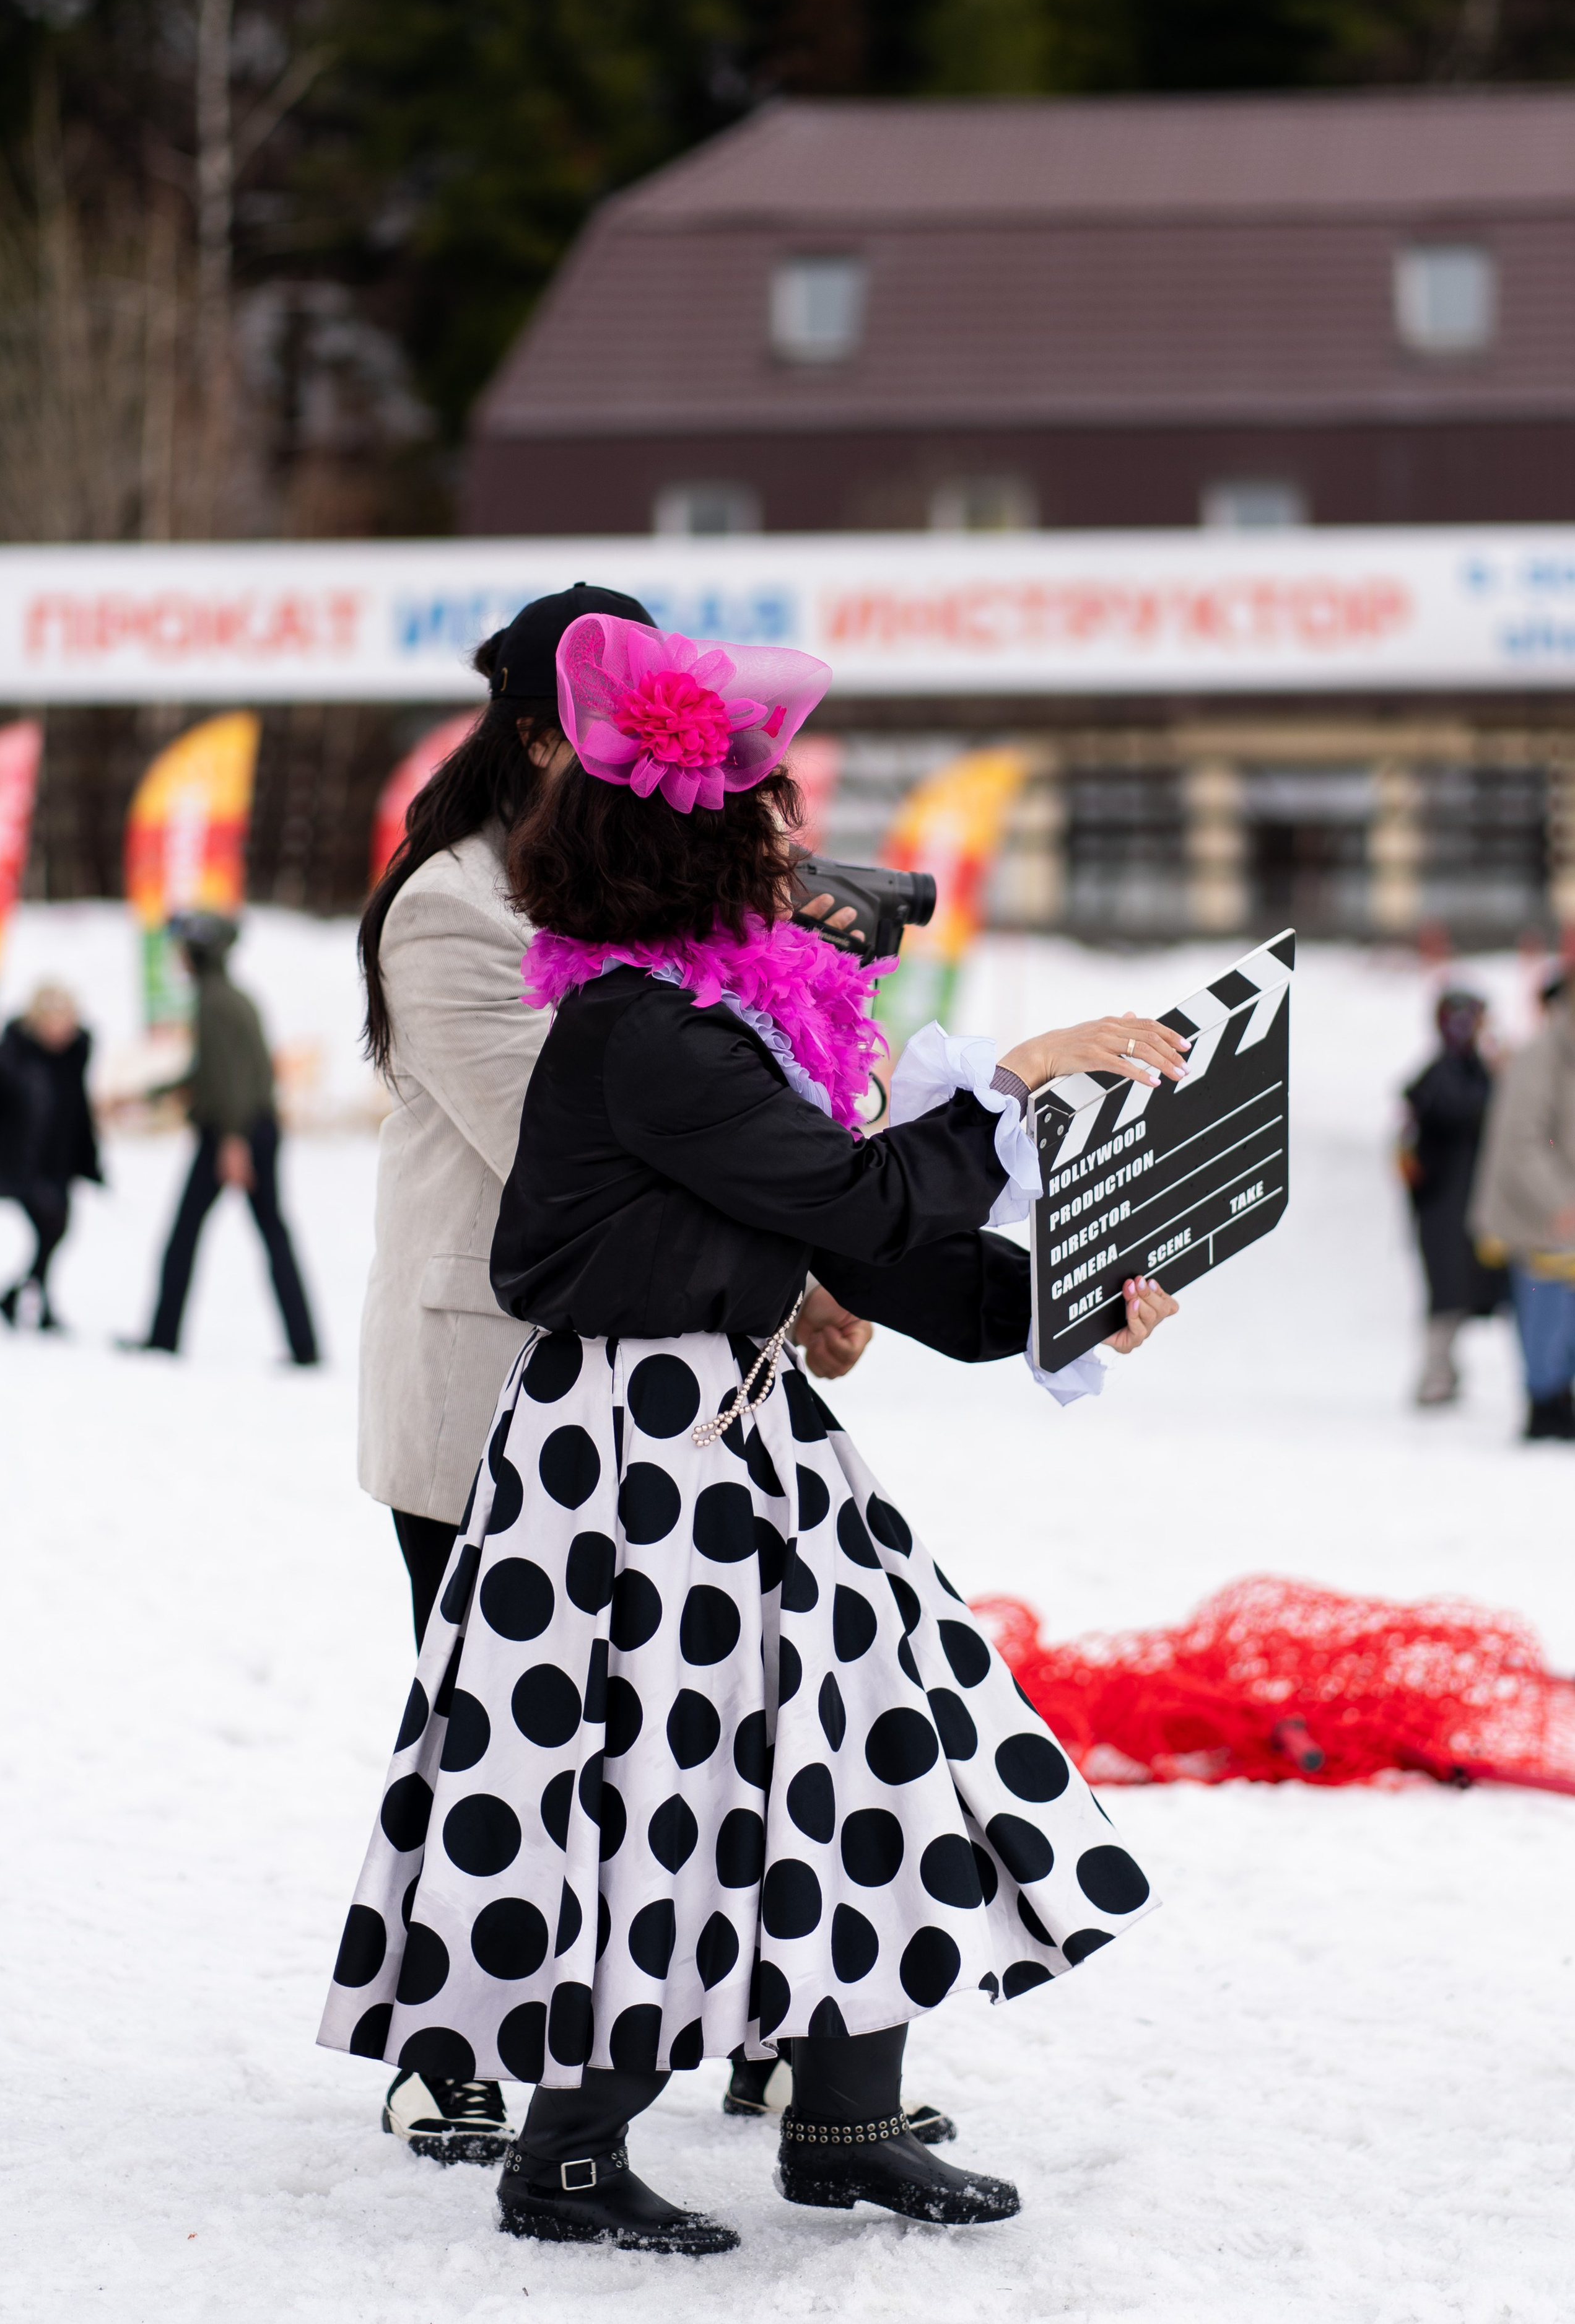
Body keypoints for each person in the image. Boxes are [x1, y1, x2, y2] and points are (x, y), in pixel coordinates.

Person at [319, 610, 1181, 2255]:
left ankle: (847, 2120)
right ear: (683, 853)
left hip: (735, 1431)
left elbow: (858, 1241)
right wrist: (1014, 1085)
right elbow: (850, 1191)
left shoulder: (701, 1025)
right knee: (658, 1791)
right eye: (763, 822)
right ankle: (566, 2150)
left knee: (861, 1737)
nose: (794, 848)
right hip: (632, 1463)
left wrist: (1059, 1303)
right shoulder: (643, 1034)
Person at [352, 583, 901, 2167]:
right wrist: (811, 1258)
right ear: (537, 733)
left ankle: (773, 2040)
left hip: (674, 1389)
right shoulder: (452, 903)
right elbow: (575, 1146)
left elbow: (773, 1099)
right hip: (494, 1385)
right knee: (506, 1750)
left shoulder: (657, 896)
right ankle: (456, 2049)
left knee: (724, 1730)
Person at [128, 913, 318, 1365]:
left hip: (234, 1132)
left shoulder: (212, 1002)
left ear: (197, 952)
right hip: (251, 1126)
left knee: (187, 1235)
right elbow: (215, 1073)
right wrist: (151, 1095)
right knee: (273, 1233)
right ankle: (305, 1346)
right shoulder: (232, 996)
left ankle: (162, 1338)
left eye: (180, 950)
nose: (177, 958)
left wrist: (234, 1141)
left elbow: (231, 1081)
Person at [1470, 969, 1575, 1439]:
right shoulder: (1542, 1057)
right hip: (1540, 1214)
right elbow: (1522, 1140)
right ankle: (1545, 1402)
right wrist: (1561, 1200)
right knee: (1546, 1311)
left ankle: (1556, 1396)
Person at [1398, 990, 1506, 1407]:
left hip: (1469, 1200)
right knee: (1447, 1292)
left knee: (1476, 1289)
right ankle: (1437, 1374)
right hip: (1446, 1205)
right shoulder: (1445, 1075)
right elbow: (1460, 1113)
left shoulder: (1472, 1070)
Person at [0, 982, 101, 1332]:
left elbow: (79, 1115)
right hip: (20, 1163)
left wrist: (90, 1162)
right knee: (52, 1227)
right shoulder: (10, 1058)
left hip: (59, 1162)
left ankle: (22, 1298)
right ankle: (32, 1301)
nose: (61, 1031)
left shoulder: (73, 1058)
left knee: (56, 1231)